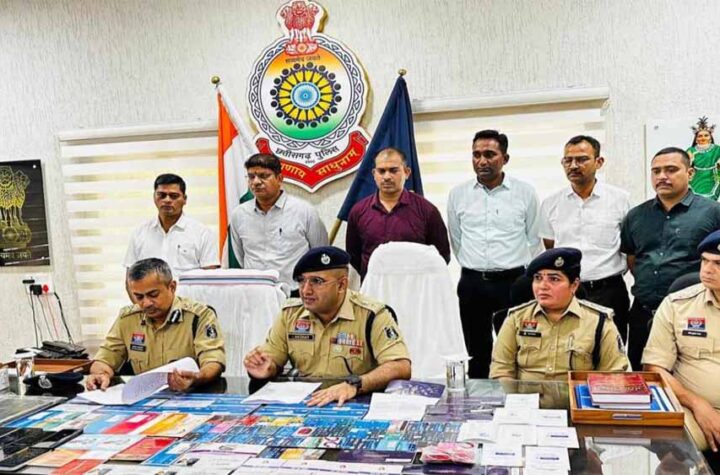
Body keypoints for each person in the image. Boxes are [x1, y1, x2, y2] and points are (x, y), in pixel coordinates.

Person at [243, 246, 411, 407]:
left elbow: (400, 366)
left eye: (316, 281)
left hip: (354, 402)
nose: (305, 290)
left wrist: (355, 384)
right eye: (301, 281)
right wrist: (265, 368)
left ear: (341, 285)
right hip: (306, 404)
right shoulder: (290, 314)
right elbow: (271, 361)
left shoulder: (371, 315)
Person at [447, 129, 541, 378]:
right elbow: (456, 239)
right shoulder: (458, 194)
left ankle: (517, 399)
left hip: (513, 283)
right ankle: (479, 399)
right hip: (472, 283)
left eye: (489, 154)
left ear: (505, 158)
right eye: (476, 155)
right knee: (476, 353)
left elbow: (534, 240)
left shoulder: (525, 192)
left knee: (518, 351)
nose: (482, 161)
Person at [621, 147, 720, 369]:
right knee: (642, 377)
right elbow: (633, 259)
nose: (662, 176)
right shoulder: (636, 216)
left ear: (690, 173)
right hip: (643, 312)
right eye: (656, 171)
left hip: (694, 315)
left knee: (691, 376)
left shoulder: (713, 212)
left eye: (671, 170)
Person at [540, 135, 631, 342]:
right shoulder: (551, 203)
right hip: (568, 292)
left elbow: (629, 246)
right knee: (568, 350)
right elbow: (550, 247)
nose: (573, 165)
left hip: (609, 290)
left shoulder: (620, 199)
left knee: (612, 352)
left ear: (599, 162)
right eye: (568, 160)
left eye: (581, 159)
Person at [87, 258, 226, 392]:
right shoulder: (127, 319)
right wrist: (100, 374)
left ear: (172, 287)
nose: (146, 303)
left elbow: (213, 361)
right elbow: (105, 358)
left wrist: (197, 377)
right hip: (142, 397)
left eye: (153, 294)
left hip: (188, 394)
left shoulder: (199, 316)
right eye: (139, 297)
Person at [489, 247, 628, 381]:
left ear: (574, 285)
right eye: (538, 278)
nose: (543, 286)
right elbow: (501, 370)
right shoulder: (516, 318)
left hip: (576, 396)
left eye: (554, 279)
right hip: (526, 397)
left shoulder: (599, 322)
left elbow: (614, 374)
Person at [643, 229, 720, 453]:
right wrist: (697, 404)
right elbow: (655, 368)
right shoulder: (678, 305)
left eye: (718, 264)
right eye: (704, 261)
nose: (707, 269)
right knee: (675, 445)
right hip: (692, 408)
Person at [229, 153, 328, 295]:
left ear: (280, 179)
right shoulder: (239, 215)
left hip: (296, 294)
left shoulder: (304, 211)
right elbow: (240, 255)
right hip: (254, 294)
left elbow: (320, 253)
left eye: (263, 176)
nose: (256, 182)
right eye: (251, 177)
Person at [346, 147, 450, 279]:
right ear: (374, 174)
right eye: (381, 171)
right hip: (374, 287)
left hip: (414, 287)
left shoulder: (427, 211)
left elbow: (441, 256)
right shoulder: (359, 211)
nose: (387, 177)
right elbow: (354, 255)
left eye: (393, 170)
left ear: (407, 172)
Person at [124, 174, 219, 282]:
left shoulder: (202, 234)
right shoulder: (140, 233)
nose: (167, 200)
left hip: (187, 293)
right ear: (154, 197)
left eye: (174, 196)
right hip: (148, 294)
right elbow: (130, 280)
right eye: (162, 195)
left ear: (185, 199)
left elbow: (210, 282)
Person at [688, 116, 720, 200]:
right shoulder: (691, 150)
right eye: (700, 136)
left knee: (711, 200)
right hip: (696, 178)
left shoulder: (717, 149)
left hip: (712, 177)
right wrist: (690, 160)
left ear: (710, 138)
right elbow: (685, 165)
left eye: (706, 135)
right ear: (696, 139)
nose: (703, 138)